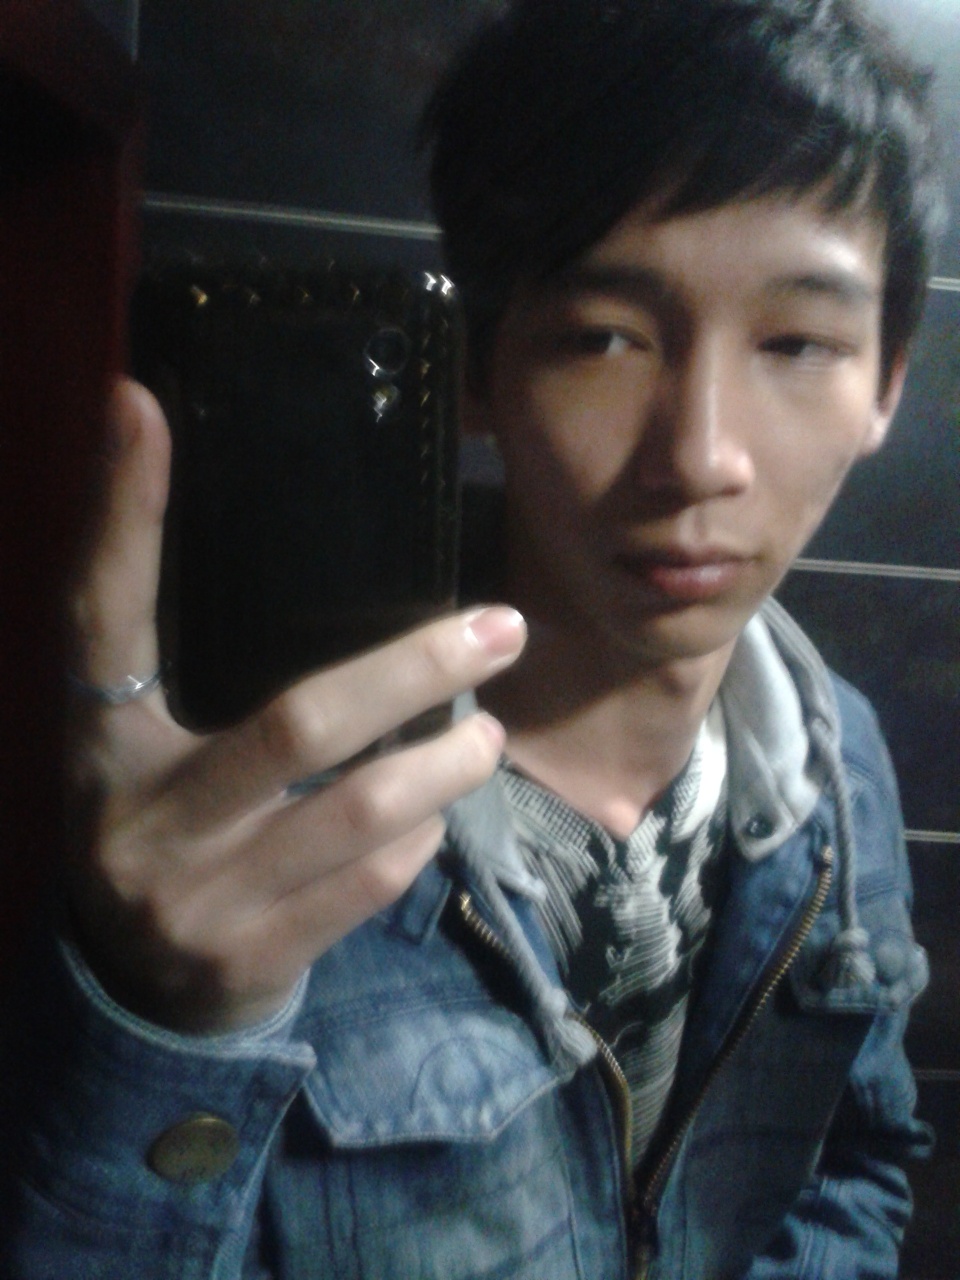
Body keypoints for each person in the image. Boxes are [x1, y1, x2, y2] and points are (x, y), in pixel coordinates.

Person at [0, 0, 946, 1276]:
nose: (699, 455)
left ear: (885, 381)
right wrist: (158, 1027)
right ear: (479, 373)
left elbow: (852, 1160)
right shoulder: (253, 817)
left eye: (798, 341)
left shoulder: (843, 768)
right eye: (602, 336)